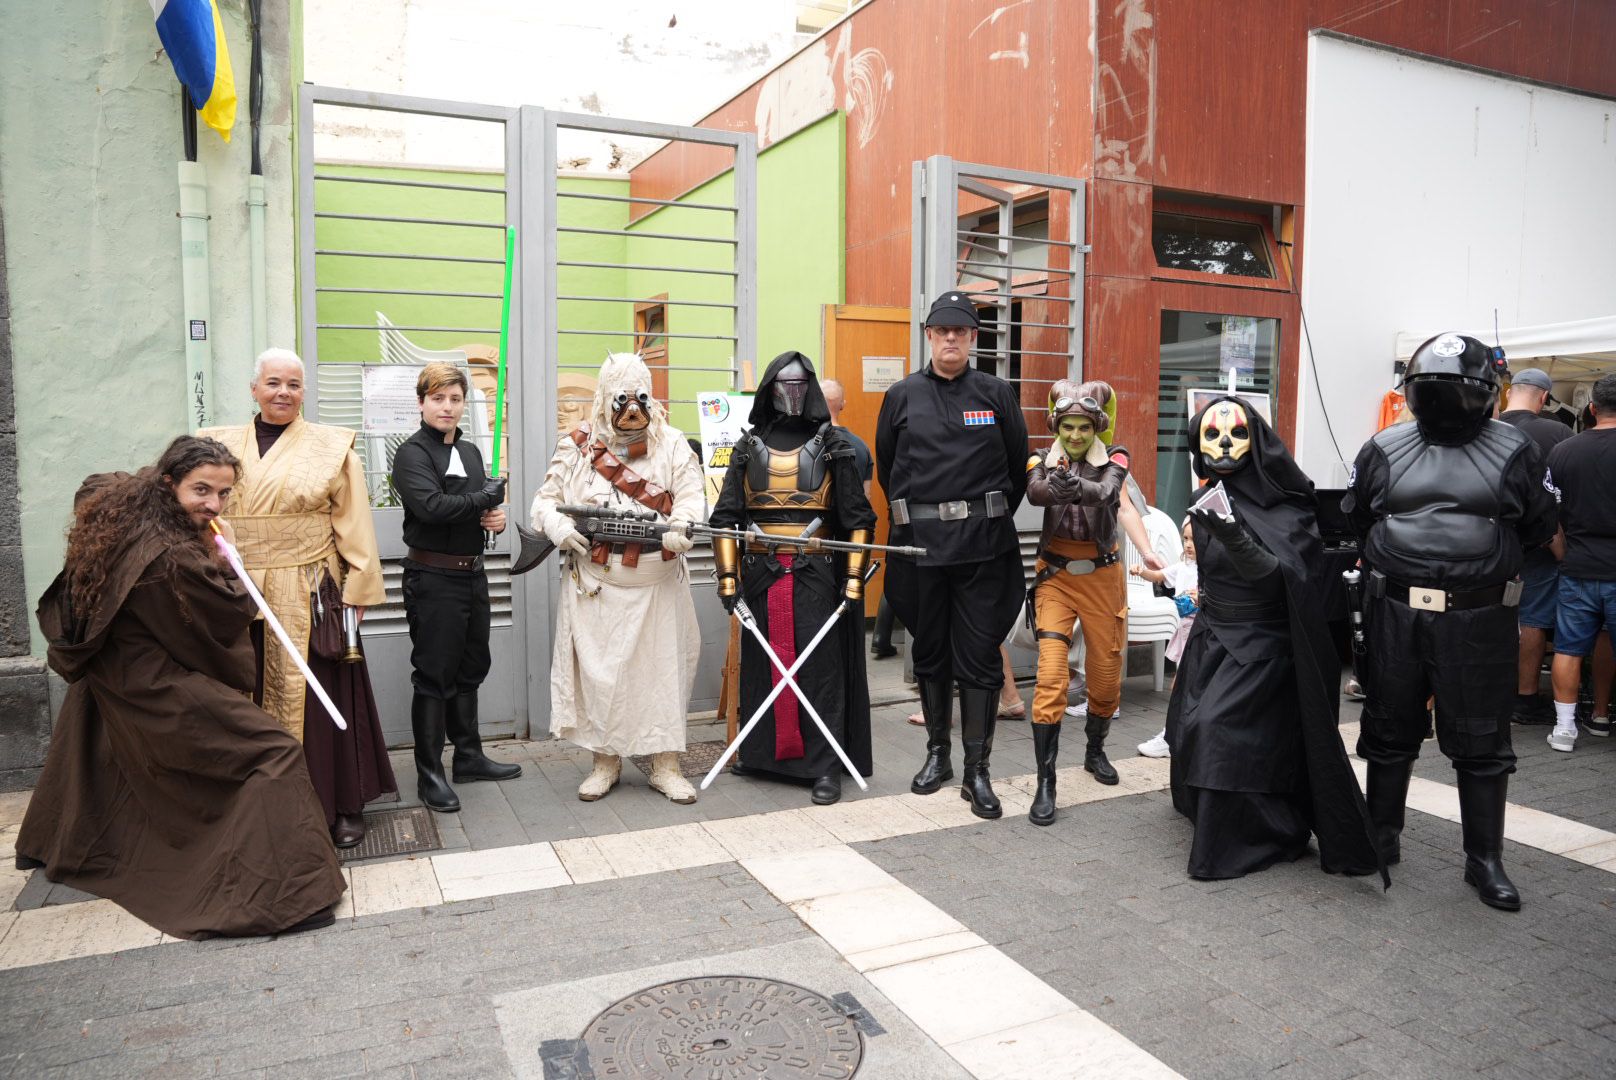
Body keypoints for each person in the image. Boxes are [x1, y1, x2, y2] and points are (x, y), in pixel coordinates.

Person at [15, 437, 345, 938]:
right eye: (201, 491)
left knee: (100, 747)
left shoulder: (126, 512)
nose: (213, 504)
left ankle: (58, 841)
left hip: (113, 673)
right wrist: (227, 554)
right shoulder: (169, 557)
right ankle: (282, 898)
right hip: (152, 682)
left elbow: (95, 486)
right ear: (168, 484)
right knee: (271, 750)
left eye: (224, 493)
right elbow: (227, 611)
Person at [1344, 333, 1557, 911]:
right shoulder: (1384, 447)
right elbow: (1362, 518)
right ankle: (1381, 836)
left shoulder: (1516, 451)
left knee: (1483, 737)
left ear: (1486, 394)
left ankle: (1484, 859)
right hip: (1397, 612)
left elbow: (1538, 524)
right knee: (1389, 727)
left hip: (1479, 617)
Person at [1168, 398, 1384, 883]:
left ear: (1257, 440)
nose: (1223, 443)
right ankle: (1217, 819)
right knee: (1191, 727)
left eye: (1236, 432)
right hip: (1212, 636)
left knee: (1216, 728)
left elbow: (1284, 580)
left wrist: (1237, 539)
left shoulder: (1286, 505)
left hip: (1264, 645)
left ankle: (1256, 836)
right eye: (1212, 433)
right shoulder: (1208, 497)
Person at [200, 348, 395, 849]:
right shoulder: (214, 446)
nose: (283, 392)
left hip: (310, 588)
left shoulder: (332, 447)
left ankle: (340, 805)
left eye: (293, 384)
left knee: (322, 696)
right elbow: (195, 510)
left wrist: (359, 587)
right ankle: (254, 809)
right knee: (244, 697)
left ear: (303, 392)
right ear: (254, 389)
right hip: (238, 588)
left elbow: (354, 524)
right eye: (273, 383)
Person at [876, 293, 1028, 818]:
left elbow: (1014, 467)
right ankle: (937, 755)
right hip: (921, 550)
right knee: (931, 651)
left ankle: (977, 771)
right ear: (928, 335)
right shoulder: (901, 396)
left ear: (973, 339)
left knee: (981, 655)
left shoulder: (997, 393)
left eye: (960, 332)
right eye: (942, 330)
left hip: (983, 550)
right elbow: (886, 468)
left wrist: (980, 518)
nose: (951, 339)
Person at [532, 352, 705, 804]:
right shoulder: (577, 446)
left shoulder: (672, 444)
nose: (632, 408)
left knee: (661, 677)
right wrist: (559, 528)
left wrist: (683, 524)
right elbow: (543, 503)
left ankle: (665, 764)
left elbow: (690, 496)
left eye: (640, 398)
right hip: (598, 585)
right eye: (621, 398)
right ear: (606, 397)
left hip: (658, 584)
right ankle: (604, 762)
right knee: (601, 679)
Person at [711, 351, 877, 805]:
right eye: (784, 384)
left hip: (816, 575)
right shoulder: (748, 447)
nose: (793, 393)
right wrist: (728, 579)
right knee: (765, 668)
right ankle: (763, 756)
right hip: (760, 575)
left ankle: (824, 767)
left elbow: (858, 517)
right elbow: (725, 519)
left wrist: (854, 580)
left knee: (819, 669)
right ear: (769, 388)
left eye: (802, 384)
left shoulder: (833, 445)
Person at [391, 361, 522, 815]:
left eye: (455, 398)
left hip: (472, 573)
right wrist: (486, 498)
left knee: (471, 665)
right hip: (432, 579)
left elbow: (474, 514)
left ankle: (468, 756)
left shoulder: (469, 453)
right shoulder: (411, 454)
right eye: (438, 398)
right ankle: (430, 773)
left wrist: (495, 518)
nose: (447, 407)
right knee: (434, 674)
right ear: (422, 402)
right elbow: (431, 507)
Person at [1023, 385, 1138, 824]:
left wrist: (1076, 489)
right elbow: (1035, 493)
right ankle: (1045, 781)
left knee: (1106, 679)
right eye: (1067, 426)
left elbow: (1109, 492)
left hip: (1103, 575)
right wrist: (1056, 486)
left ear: (1096, 428)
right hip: (1056, 576)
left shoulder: (1117, 457)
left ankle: (1095, 750)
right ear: (1057, 426)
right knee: (1051, 675)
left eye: (1083, 427)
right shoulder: (1040, 459)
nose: (1074, 435)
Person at [1497, 368, 1573, 726]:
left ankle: (1487, 691)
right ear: (1544, 398)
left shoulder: (1486, 427)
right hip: (1538, 542)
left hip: (1489, 544)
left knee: (1488, 613)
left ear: (1510, 392)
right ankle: (1525, 698)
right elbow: (1559, 494)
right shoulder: (1555, 431)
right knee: (1531, 617)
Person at [1544, 372, 1616, 751]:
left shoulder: (1564, 450)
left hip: (1579, 567)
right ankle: (1601, 717)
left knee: (1569, 649)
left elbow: (1549, 518)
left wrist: (1563, 555)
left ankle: (1565, 729)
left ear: (1591, 408)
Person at [1132, 517, 1198, 758]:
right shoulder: (1183, 568)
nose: (1188, 545)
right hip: (1185, 634)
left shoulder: (1212, 571)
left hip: (1202, 635)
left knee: (1184, 686)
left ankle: (1173, 736)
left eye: (1194, 539)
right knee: (1183, 686)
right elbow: (1159, 576)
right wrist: (1142, 572)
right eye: (1186, 539)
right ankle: (1173, 735)